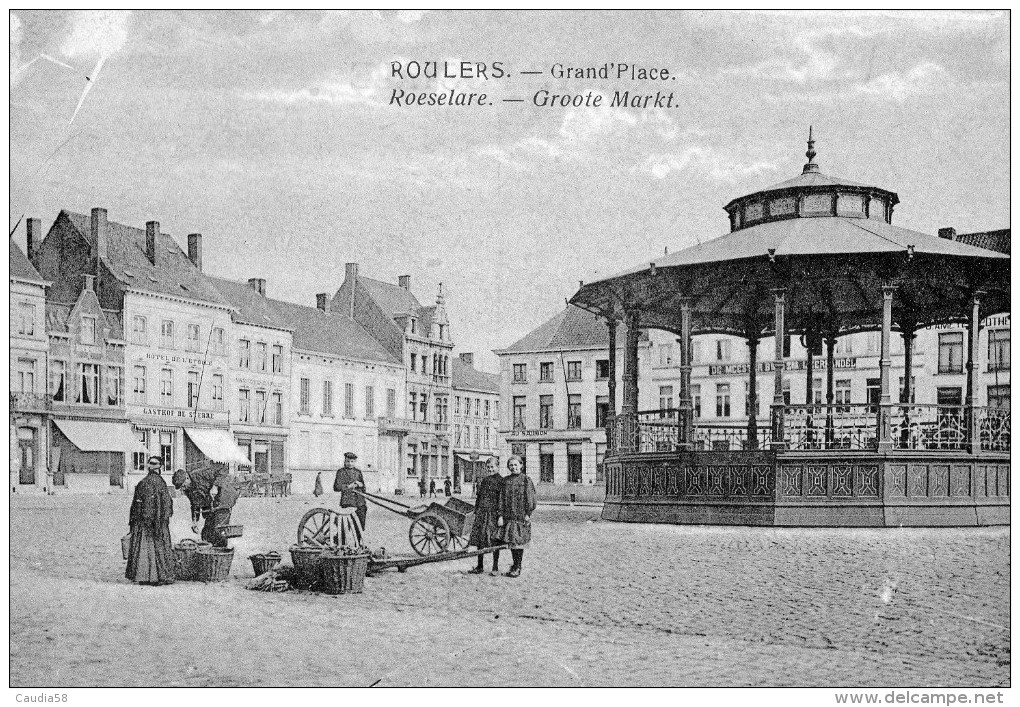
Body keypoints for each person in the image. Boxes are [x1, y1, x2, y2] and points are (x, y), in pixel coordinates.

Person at [125, 456, 175, 585]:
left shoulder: (142, 482)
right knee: (159, 548)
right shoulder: (161, 483)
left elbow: (135, 506)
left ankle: (143, 576)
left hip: (143, 523)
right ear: (161, 468)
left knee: (144, 547)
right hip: (158, 523)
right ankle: (160, 576)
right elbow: (167, 504)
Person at [172, 466, 240, 548]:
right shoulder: (188, 489)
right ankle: (209, 551)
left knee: (219, 528)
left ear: (187, 478)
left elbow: (222, 469)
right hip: (212, 503)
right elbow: (194, 505)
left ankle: (221, 551)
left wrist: (215, 486)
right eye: (181, 487)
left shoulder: (200, 474)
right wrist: (194, 522)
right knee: (206, 532)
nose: (183, 489)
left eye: (183, 485)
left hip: (225, 494)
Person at [496, 456, 536, 578]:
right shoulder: (505, 480)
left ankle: (518, 566)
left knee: (519, 542)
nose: (513, 467)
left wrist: (528, 514)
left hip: (520, 516)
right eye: (511, 465)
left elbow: (531, 499)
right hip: (509, 516)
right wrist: (500, 515)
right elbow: (501, 499)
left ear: (521, 465)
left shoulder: (526, 480)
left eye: (515, 465)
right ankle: (514, 565)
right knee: (512, 542)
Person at [467, 457, 504, 575]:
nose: (490, 469)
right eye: (488, 467)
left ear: (497, 467)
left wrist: (500, 516)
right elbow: (479, 497)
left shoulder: (501, 481)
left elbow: (502, 501)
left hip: (493, 515)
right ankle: (480, 565)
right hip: (482, 514)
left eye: (492, 467)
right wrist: (476, 510)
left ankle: (495, 567)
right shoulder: (485, 480)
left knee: (494, 540)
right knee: (479, 539)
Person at [333, 452, 368, 531]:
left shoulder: (358, 472)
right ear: (344, 461)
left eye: (352, 461)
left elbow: (364, 488)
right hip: (347, 502)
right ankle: (341, 541)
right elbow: (336, 487)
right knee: (344, 526)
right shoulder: (341, 472)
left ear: (354, 462)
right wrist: (348, 486)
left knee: (360, 524)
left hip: (360, 502)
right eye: (348, 461)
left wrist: (360, 484)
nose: (350, 463)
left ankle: (358, 543)